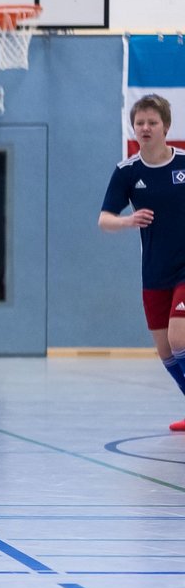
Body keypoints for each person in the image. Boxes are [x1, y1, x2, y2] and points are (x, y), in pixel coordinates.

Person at [99, 94, 185, 431]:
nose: (145, 128)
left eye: (152, 122)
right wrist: (127, 221)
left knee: (180, 340)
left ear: (166, 126)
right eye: (140, 123)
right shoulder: (127, 171)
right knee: (166, 353)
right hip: (154, 272)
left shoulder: (183, 164)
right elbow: (104, 219)